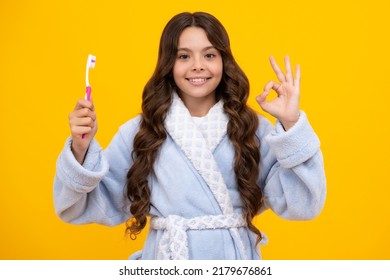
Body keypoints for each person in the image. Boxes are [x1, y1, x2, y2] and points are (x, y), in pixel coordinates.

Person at [54, 11, 326, 260]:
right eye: (184, 56)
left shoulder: (251, 129)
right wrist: (81, 150)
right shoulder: (142, 132)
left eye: (209, 55)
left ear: (224, 61)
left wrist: (290, 124)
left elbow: (303, 204)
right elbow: (80, 207)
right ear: (168, 64)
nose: (198, 66)